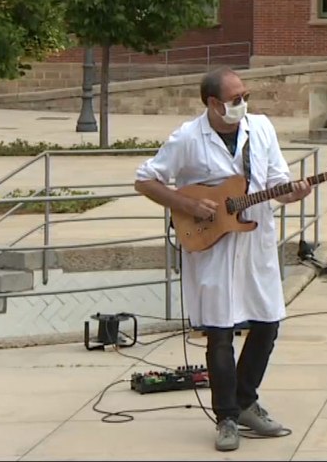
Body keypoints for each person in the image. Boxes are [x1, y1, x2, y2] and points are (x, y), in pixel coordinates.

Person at [134, 67, 311, 452]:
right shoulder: (187, 138)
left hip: (255, 242)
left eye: (245, 96)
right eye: (234, 100)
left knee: (267, 323)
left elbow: (276, 181)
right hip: (211, 246)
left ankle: (247, 400)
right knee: (219, 332)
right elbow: (145, 179)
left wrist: (293, 193)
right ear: (213, 104)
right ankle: (226, 417)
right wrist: (188, 205)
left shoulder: (261, 128)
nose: (242, 105)